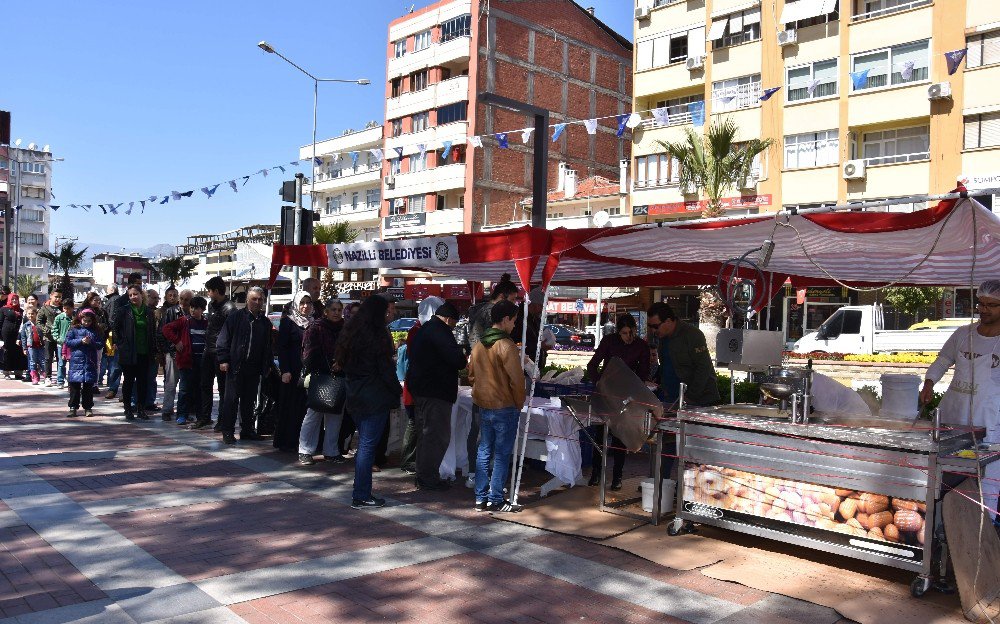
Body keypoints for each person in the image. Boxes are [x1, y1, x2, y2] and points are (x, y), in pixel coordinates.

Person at [921, 280, 1000, 523]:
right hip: (953, 412)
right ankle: (940, 523)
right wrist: (929, 383)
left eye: (992, 305)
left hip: (988, 417)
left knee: (987, 474)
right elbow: (944, 359)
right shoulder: (962, 334)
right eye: (981, 304)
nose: (984, 309)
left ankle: (983, 527)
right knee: (945, 470)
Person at [337, 294, 401, 509]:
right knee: (367, 447)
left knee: (365, 445)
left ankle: (361, 491)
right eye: (386, 311)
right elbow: (385, 368)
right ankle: (361, 493)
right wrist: (395, 390)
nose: (389, 315)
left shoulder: (351, 331)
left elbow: (343, 362)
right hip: (374, 395)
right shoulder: (377, 334)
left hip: (355, 393)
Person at [461, 274, 520, 486]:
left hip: (481, 381)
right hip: (494, 385)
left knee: (481, 435)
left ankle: (476, 478)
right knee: (486, 439)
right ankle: (484, 481)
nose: (515, 305)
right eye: (513, 299)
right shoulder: (492, 316)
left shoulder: (476, 310)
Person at [468, 299, 525, 513]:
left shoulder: (479, 344)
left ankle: (480, 498)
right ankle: (496, 498)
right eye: (514, 320)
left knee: (484, 451)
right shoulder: (506, 344)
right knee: (501, 454)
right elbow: (517, 380)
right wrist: (519, 401)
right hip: (505, 406)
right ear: (505, 319)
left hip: (484, 404)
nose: (514, 325)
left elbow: (471, 375)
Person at [585, 314, 651, 490]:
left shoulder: (641, 346)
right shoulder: (609, 341)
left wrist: (633, 390)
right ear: (618, 332)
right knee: (599, 436)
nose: (628, 337)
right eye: (624, 333)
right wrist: (599, 382)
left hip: (626, 397)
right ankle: (596, 473)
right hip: (606, 394)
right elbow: (592, 365)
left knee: (620, 438)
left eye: (631, 332)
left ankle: (617, 477)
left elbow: (644, 374)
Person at [407, 302, 466, 491]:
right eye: (454, 324)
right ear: (449, 319)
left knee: (427, 435)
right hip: (435, 392)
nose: (454, 327)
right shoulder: (440, 331)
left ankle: (424, 475)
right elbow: (457, 360)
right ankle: (428, 477)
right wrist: (462, 354)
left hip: (423, 390)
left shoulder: (427, 329)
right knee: (436, 436)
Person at [215, 286, 272, 444]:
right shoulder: (236, 317)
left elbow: (267, 346)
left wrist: (266, 365)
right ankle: (227, 431)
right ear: (247, 300)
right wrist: (223, 359)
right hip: (235, 366)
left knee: (249, 401)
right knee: (231, 400)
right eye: (254, 299)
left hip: (254, 368)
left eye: (260, 299)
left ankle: (247, 430)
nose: (257, 302)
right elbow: (223, 339)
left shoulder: (265, 322)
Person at [398, 296, 445, 475]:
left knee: (416, 423)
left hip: (418, 383)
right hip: (418, 384)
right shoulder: (418, 330)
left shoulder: (419, 329)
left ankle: (411, 459)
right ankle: (408, 459)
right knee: (414, 423)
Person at [298, 298, 348, 465]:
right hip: (320, 375)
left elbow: (351, 349)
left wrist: (341, 363)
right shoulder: (316, 327)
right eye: (333, 309)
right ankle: (305, 450)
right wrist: (327, 365)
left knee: (336, 415)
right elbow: (308, 353)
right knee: (314, 413)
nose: (336, 313)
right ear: (326, 311)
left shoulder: (345, 328)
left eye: (339, 310)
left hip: (340, 376)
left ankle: (331, 451)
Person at [192, 276, 236, 430]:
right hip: (207, 350)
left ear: (217, 291)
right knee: (204, 385)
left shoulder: (230, 308)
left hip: (221, 353)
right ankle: (205, 417)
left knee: (223, 388)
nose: (208, 294)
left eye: (209, 291)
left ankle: (222, 420)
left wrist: (226, 356)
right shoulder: (211, 305)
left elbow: (232, 333)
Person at [161, 296, 209, 426]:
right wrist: (176, 341)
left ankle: (201, 416)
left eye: (197, 308)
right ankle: (181, 415)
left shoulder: (206, 322)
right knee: (184, 389)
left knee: (199, 390)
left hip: (201, 362)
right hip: (187, 361)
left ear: (203, 309)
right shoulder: (184, 321)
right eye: (192, 307)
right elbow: (166, 329)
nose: (193, 310)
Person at [273, 291, 311, 453]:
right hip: (292, 372)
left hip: (308, 372)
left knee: (305, 408)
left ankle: (301, 441)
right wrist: (285, 370)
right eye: (302, 302)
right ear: (296, 304)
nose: (305, 306)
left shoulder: (313, 323)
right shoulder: (289, 322)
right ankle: (286, 441)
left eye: (308, 303)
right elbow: (282, 348)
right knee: (290, 407)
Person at [113, 285, 156, 420]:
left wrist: (154, 349)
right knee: (129, 381)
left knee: (143, 381)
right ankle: (128, 409)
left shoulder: (148, 312)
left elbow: (153, 332)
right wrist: (120, 344)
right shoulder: (124, 311)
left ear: (141, 295)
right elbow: (115, 329)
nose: (133, 297)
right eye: (130, 295)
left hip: (144, 352)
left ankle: (141, 408)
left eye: (135, 294)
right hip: (128, 352)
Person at [65, 308, 102, 418]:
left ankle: (88, 407)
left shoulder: (95, 330)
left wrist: (91, 342)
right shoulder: (74, 329)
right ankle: (73, 407)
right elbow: (68, 342)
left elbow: (100, 344)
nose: (86, 323)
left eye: (89, 321)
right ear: (80, 319)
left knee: (88, 387)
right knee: (75, 387)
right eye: (84, 321)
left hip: (90, 362)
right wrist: (80, 341)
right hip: (76, 362)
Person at [158, 287, 183, 421]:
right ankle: (167, 409)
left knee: (184, 383)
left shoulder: (186, 312)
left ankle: (184, 409)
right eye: (170, 295)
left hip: (185, 353)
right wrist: (165, 350)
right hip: (171, 352)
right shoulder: (167, 312)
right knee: (171, 382)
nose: (172, 297)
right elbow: (161, 332)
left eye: (175, 295)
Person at [36, 288, 63, 386]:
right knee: (48, 358)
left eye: (60, 297)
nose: (57, 299)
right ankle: (47, 377)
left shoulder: (63, 308)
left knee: (61, 358)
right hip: (49, 337)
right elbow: (39, 322)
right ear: (51, 296)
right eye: (56, 297)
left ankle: (61, 378)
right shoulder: (45, 308)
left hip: (60, 337)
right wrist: (45, 330)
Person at [142, 289, 161, 413]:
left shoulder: (158, 313)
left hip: (154, 350)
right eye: (154, 298)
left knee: (151, 377)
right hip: (142, 349)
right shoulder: (142, 312)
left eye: (157, 298)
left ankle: (149, 401)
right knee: (139, 378)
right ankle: (137, 401)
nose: (156, 301)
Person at [1, 293, 27, 380]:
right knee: (7, 352)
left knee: (19, 352)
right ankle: (6, 372)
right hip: (7, 335)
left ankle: (18, 373)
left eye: (16, 299)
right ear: (9, 300)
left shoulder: (21, 310)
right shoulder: (3, 309)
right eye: (12, 299)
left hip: (18, 335)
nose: (14, 301)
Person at [52, 299, 76, 389]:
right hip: (61, 344)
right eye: (64, 308)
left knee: (73, 364)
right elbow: (54, 330)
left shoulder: (76, 317)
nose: (66, 310)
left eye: (68, 308)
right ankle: (60, 380)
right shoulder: (59, 317)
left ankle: (71, 381)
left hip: (73, 344)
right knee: (61, 363)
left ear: (72, 308)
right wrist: (58, 339)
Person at [20, 308, 47, 385]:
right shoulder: (26, 325)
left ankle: (46, 376)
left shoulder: (39, 324)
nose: (30, 315)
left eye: (32, 314)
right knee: (32, 362)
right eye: (29, 314)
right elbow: (23, 337)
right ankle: (34, 377)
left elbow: (44, 334)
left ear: (36, 314)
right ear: (26, 314)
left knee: (43, 361)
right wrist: (24, 348)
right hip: (31, 346)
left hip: (41, 346)